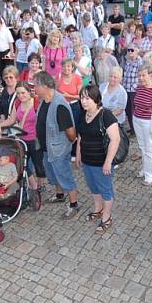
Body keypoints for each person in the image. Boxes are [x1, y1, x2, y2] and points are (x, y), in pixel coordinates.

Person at [33, 72, 79, 218]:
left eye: (36, 85)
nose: (34, 87)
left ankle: (74, 205)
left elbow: (71, 132)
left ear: (45, 86)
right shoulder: (43, 100)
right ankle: (60, 195)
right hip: (47, 147)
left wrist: (68, 144)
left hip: (58, 149)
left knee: (64, 175)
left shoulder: (59, 104)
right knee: (52, 174)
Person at [75, 85, 119, 233]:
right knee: (93, 187)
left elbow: (115, 140)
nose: (84, 101)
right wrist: (78, 154)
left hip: (101, 162)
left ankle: (106, 217)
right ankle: (98, 209)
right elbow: (80, 136)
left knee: (105, 189)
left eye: (87, 98)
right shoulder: (83, 114)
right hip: (87, 160)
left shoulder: (106, 115)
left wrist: (108, 161)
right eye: (82, 98)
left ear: (96, 98)